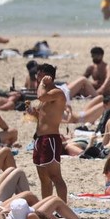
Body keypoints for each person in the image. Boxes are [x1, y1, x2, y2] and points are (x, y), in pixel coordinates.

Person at [29, 64, 67, 200]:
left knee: (55, 176)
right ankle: (46, 208)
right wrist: (34, 113)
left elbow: (41, 96)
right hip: (40, 138)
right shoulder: (47, 96)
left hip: (50, 138)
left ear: (48, 76)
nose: (37, 78)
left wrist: (41, 83)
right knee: (43, 178)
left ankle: (62, 208)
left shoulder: (57, 93)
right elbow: (45, 116)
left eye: (40, 75)